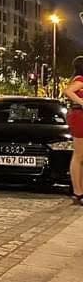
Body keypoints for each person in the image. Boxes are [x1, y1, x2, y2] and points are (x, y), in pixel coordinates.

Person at [62, 56, 83, 204]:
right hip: (80, 117)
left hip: (78, 116)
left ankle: (79, 190)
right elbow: (68, 91)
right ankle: (78, 191)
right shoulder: (81, 79)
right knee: (79, 155)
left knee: (80, 156)